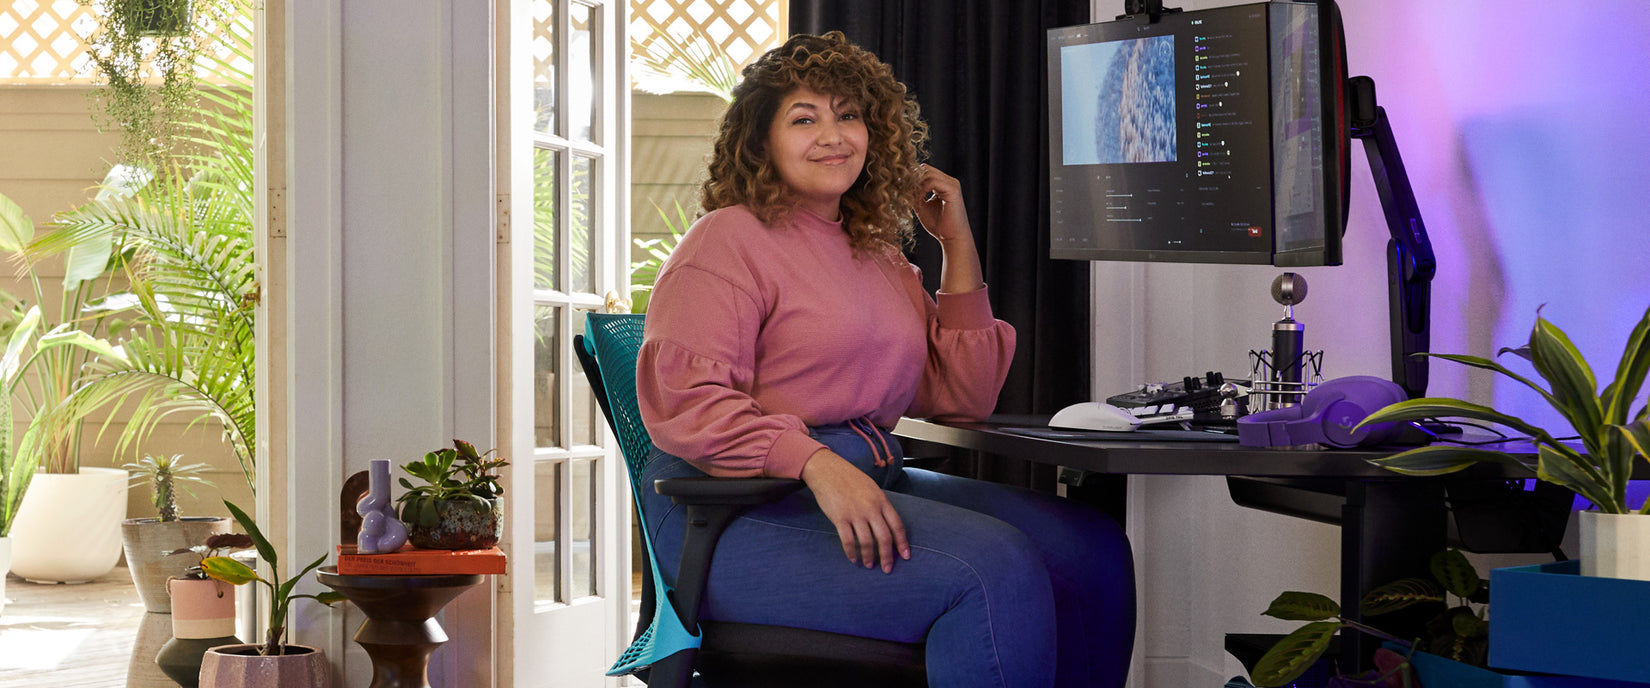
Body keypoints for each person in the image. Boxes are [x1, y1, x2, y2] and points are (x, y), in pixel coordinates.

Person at [635, 31, 1135, 688]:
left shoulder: (873, 253)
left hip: (859, 483)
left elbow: (958, 396)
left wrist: (956, 243)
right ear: (761, 140)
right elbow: (689, 403)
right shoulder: (727, 240)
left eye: (848, 115)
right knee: (994, 570)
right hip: (736, 513)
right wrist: (815, 464)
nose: (833, 135)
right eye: (804, 118)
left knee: (1090, 551)